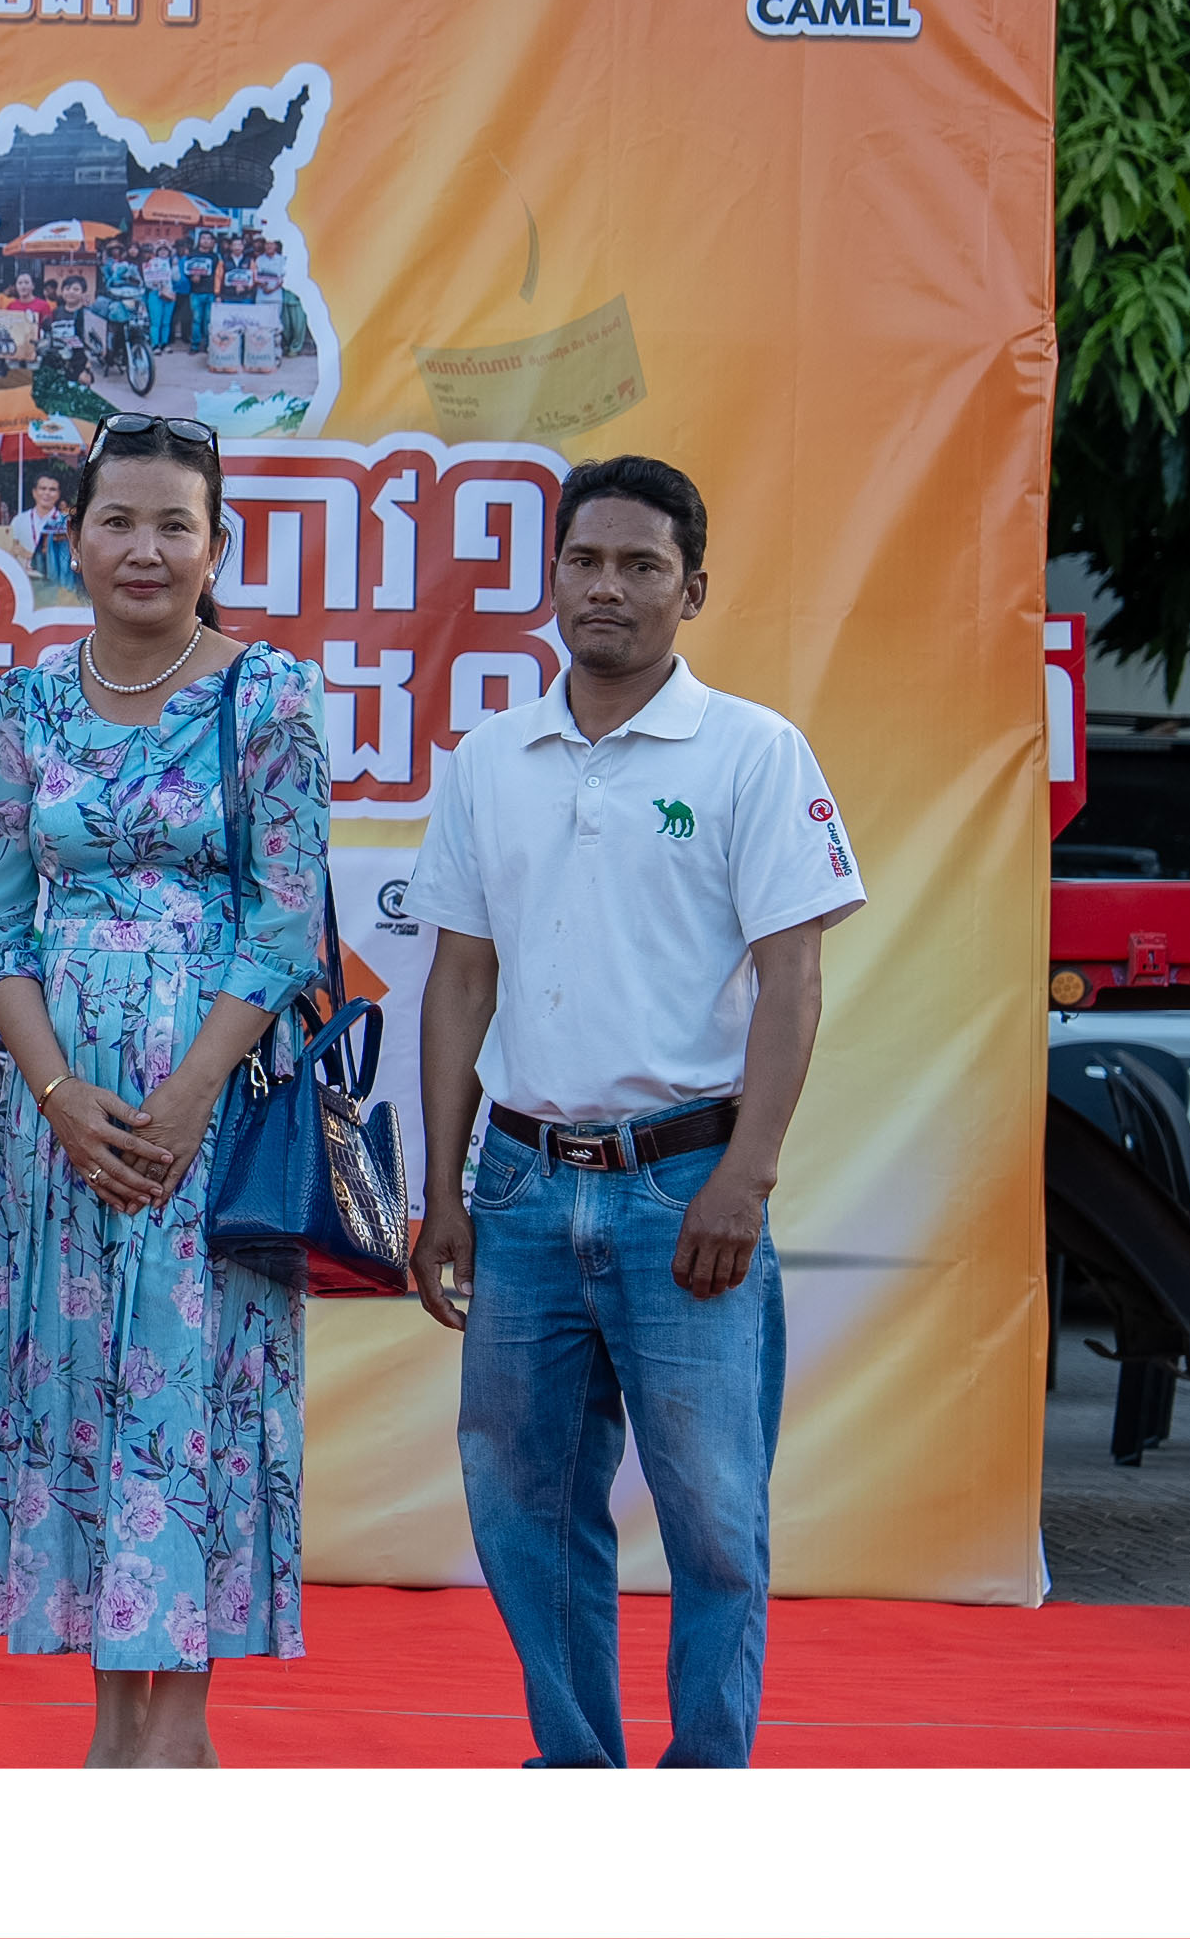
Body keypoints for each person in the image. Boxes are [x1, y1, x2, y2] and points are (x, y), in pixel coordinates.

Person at [404, 455, 862, 1770]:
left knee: (713, 1514)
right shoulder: (491, 759)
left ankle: (705, 1784)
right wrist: (445, 1191)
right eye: (585, 561)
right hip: (520, 1187)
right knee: (523, 1501)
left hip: (686, 1188)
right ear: (552, 577)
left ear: (692, 590)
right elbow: (462, 980)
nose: (608, 587)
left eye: (642, 566)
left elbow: (792, 981)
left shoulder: (753, 753)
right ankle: (578, 1770)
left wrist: (746, 1178)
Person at [0, 412, 326, 1766]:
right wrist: (58, 1092)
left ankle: (177, 1733)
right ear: (73, 536)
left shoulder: (268, 697)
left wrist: (187, 1098)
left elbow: (286, 926)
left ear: (217, 545)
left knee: (193, 1396)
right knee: (84, 1393)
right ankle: (115, 1727)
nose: (145, 548)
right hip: (60, 1122)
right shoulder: (25, 704)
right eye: (118, 519)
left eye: (177, 524)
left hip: (210, 1113)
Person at [12, 468, 74, 590]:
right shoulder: (19, 521)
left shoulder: (66, 523)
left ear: (58, 494)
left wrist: (29, 555)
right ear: (34, 492)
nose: (47, 493)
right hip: (24, 583)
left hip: (56, 586)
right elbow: (12, 550)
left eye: (52, 489)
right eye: (43, 488)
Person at [140, 245, 178, 349]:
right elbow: (147, 281)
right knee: (155, 321)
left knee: (166, 321)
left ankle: (165, 343)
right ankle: (155, 344)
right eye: (160, 250)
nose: (163, 252)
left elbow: (177, 278)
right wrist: (153, 283)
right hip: (155, 293)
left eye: (165, 250)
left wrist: (175, 266)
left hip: (169, 292)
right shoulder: (151, 263)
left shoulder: (172, 262)